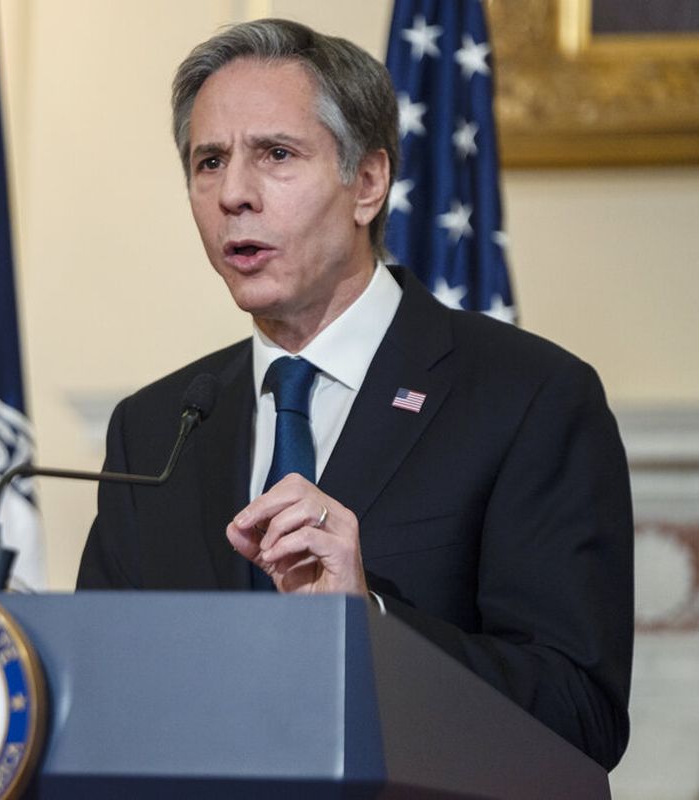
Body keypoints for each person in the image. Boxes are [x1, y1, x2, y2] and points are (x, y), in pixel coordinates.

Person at [76, 18, 632, 771]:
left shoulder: (529, 397)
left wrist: (365, 624)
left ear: (367, 183)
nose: (233, 194)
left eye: (275, 155)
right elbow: (102, 697)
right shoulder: (154, 425)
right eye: (209, 161)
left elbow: (580, 715)